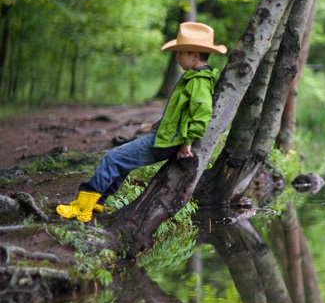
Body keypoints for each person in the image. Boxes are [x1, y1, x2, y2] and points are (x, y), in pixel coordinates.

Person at [56, 21, 227, 223]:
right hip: (168, 137)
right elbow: (183, 110)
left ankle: (83, 208)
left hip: (169, 142)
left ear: (195, 55)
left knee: (112, 158)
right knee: (122, 161)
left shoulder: (199, 81)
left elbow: (200, 114)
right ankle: (97, 202)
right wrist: (162, 121)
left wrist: (187, 142)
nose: (177, 57)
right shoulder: (195, 77)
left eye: (180, 53)